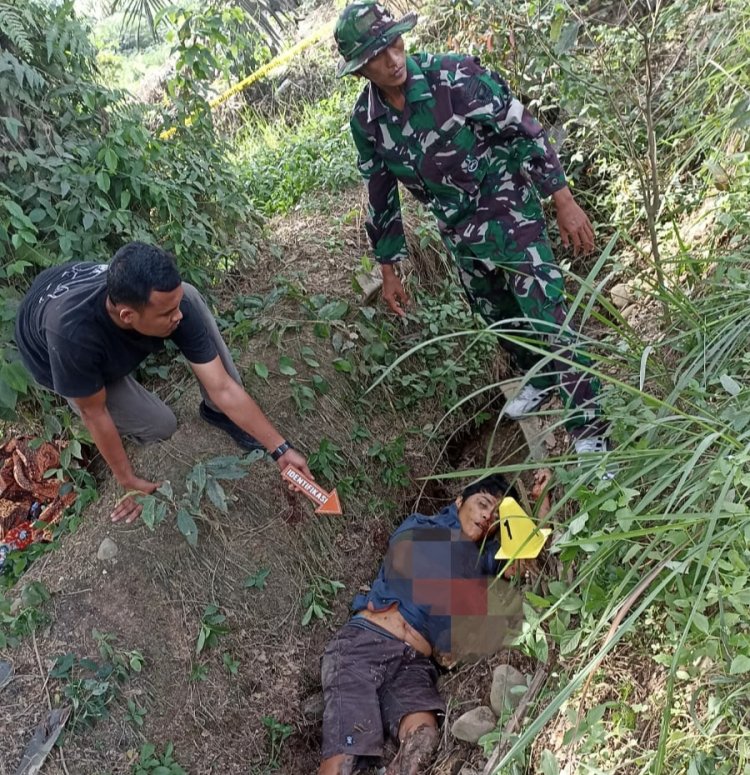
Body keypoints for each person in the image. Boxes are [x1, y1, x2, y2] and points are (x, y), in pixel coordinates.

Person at [334, 1, 610, 459]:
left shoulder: (454, 76)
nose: (393, 59)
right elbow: (380, 191)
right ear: (361, 68)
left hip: (509, 215)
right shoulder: (367, 122)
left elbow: (522, 129)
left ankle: (591, 431)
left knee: (548, 318)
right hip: (460, 234)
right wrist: (388, 267)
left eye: (396, 43)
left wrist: (562, 198)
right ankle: (540, 380)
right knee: (500, 317)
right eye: (378, 55)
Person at [14, 242, 312, 523]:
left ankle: (217, 413)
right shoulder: (72, 338)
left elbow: (222, 386)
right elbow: (94, 413)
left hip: (71, 286)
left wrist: (281, 450)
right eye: (168, 312)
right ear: (128, 315)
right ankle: (110, 375)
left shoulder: (172, 304)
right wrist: (128, 481)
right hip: (49, 344)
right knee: (161, 426)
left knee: (192, 297)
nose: (178, 315)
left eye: (176, 305)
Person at [318, 471, 550, 775]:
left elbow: (529, 556)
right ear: (458, 501)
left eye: (496, 516)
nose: (486, 516)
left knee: (422, 740)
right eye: (482, 504)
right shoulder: (420, 525)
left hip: (414, 665)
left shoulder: (487, 558)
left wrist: (541, 502)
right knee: (348, 755)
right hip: (366, 644)